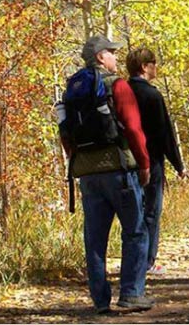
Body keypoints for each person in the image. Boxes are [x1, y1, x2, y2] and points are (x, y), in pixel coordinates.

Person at [59, 36, 154, 314]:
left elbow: (65, 135)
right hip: (119, 170)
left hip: (87, 174)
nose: (115, 57)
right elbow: (134, 129)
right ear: (100, 57)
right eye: (112, 53)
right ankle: (132, 294)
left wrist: (81, 161)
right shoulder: (117, 85)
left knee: (95, 239)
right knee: (135, 232)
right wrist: (144, 163)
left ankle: (100, 301)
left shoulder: (72, 90)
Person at [126, 47, 188, 275]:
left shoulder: (120, 91)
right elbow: (165, 135)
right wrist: (179, 165)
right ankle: (148, 261)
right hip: (151, 162)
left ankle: (132, 261)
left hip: (126, 163)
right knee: (151, 212)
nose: (156, 66)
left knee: (133, 214)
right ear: (145, 66)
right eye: (153, 62)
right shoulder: (152, 95)